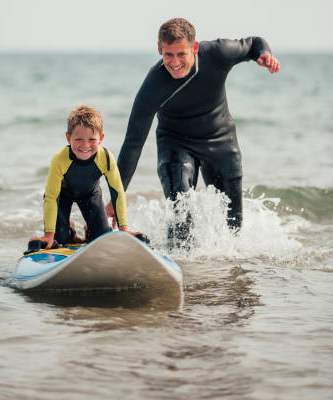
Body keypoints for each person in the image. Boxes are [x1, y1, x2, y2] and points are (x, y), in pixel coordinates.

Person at [106, 18, 280, 246]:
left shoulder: (217, 53)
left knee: (232, 228)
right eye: (168, 54)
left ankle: (229, 278)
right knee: (181, 218)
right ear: (160, 50)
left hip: (221, 140)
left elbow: (253, 43)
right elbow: (133, 143)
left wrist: (263, 54)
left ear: (195, 48)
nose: (175, 62)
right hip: (175, 143)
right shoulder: (153, 85)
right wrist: (116, 196)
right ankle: (178, 267)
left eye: (181, 54)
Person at [29, 104, 133, 250]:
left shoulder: (106, 158)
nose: (85, 145)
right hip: (63, 195)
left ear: (101, 138)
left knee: (101, 238)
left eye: (92, 139)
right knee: (61, 240)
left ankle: (89, 229)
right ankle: (69, 231)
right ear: (68, 137)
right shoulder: (59, 160)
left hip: (90, 194)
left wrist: (124, 228)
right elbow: (51, 197)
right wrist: (48, 235)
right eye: (78, 139)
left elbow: (118, 191)